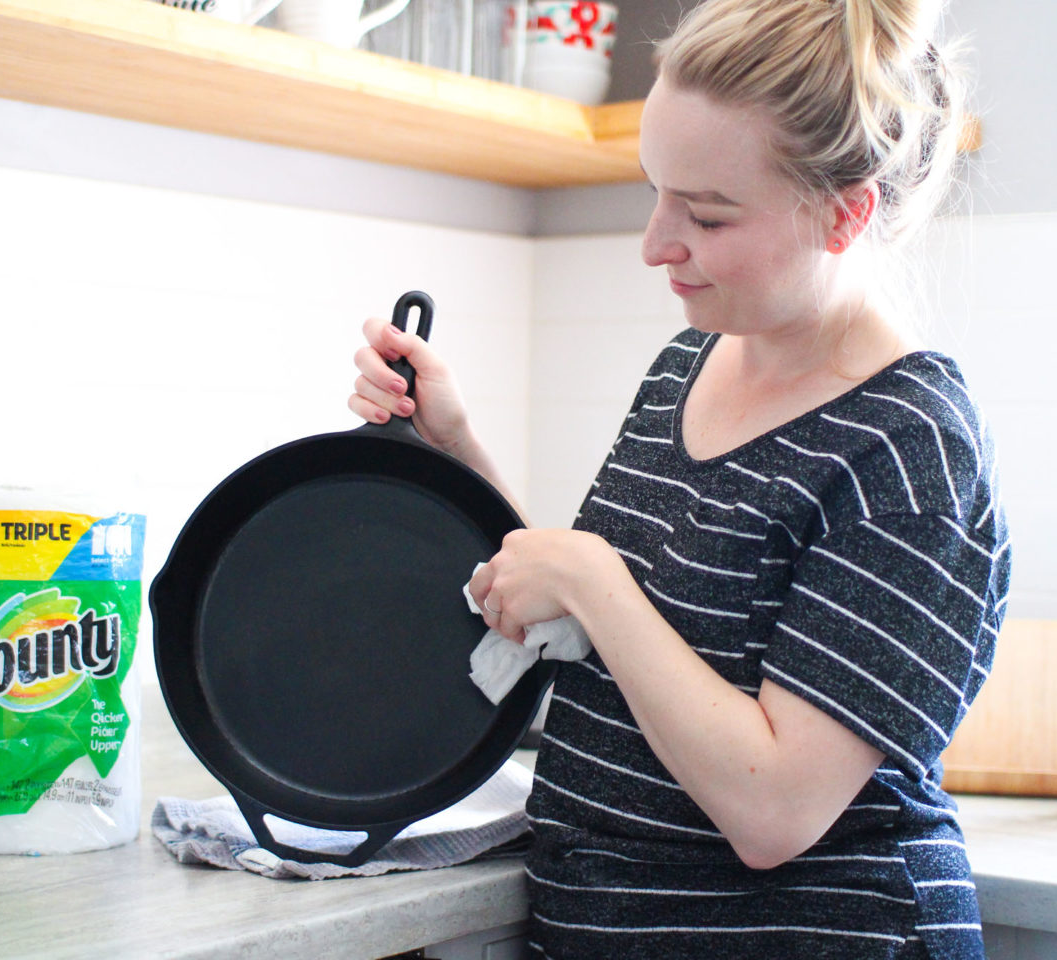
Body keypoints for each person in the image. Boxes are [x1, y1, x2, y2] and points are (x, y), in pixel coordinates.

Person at [350, 0, 1009, 955]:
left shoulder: (909, 449)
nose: (657, 243)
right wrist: (453, 451)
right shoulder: (692, 364)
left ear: (845, 213)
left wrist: (592, 578)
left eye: (705, 213)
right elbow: (609, 634)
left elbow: (776, 809)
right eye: (657, 192)